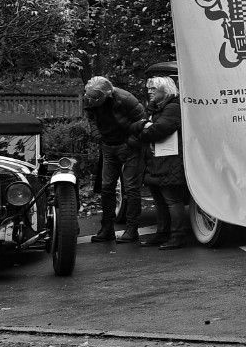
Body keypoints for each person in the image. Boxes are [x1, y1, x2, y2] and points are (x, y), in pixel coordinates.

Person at [80, 76, 147, 243]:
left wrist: (131, 142)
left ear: (107, 94)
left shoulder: (126, 99)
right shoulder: (89, 98)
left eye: (96, 98)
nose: (91, 100)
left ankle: (132, 230)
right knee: (106, 187)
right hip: (108, 145)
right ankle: (107, 229)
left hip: (128, 145)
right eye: (89, 97)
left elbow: (142, 121)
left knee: (131, 188)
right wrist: (97, 136)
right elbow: (91, 119)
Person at [133, 75, 189, 250]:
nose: (149, 92)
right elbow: (144, 126)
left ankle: (177, 236)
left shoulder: (172, 108)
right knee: (160, 201)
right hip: (157, 161)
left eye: (153, 89)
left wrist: (142, 130)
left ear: (165, 90)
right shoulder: (157, 109)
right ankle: (162, 233)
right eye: (148, 88)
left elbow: (157, 131)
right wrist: (144, 126)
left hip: (169, 161)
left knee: (172, 200)